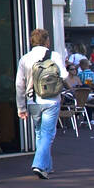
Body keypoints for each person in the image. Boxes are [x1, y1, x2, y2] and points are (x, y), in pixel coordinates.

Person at [15, 29, 68, 179]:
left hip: (33, 100)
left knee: (40, 133)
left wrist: (21, 107)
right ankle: (39, 164)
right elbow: (64, 75)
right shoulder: (54, 56)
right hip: (51, 100)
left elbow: (19, 84)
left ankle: (47, 166)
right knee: (48, 134)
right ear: (47, 41)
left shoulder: (25, 58)